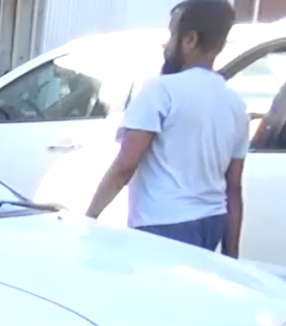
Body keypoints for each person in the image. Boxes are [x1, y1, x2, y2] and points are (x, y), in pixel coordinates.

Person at [85, 0, 247, 255]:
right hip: (212, 222)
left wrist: (90, 216)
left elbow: (126, 164)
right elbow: (234, 187)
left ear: (190, 39)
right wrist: (231, 255)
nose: (166, 44)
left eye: (173, 34)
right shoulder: (236, 105)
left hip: (163, 225)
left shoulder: (161, 91)